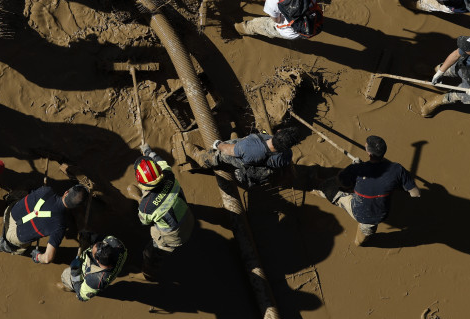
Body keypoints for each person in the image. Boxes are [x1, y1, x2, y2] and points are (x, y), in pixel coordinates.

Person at [315, 135, 420, 246]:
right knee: (362, 238)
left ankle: (317, 190)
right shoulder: (397, 169)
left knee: (329, 186)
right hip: (380, 215)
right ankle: (360, 242)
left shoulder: (357, 169)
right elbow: (416, 194)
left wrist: (352, 166)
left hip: (359, 212)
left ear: (369, 153)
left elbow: (342, 183)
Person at [131, 144, 195, 279]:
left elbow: (144, 221)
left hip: (174, 238)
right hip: (188, 220)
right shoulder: (169, 175)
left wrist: (139, 199)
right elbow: (160, 161)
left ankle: (149, 274)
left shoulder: (146, 207)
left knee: (150, 253)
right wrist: (148, 150)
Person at [0, 184, 88, 264]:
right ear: (75, 207)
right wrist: (38, 257)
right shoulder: (60, 226)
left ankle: (9, 198)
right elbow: (47, 258)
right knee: (20, 247)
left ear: (66, 193)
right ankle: (1, 245)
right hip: (14, 236)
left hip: (9, 213)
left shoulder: (46, 190)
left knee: (28, 188)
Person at [187, 128, 297, 187]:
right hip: (261, 168)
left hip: (246, 161)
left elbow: (228, 149)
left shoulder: (250, 146)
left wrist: (218, 144)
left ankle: (203, 160)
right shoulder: (288, 155)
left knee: (223, 154)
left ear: (278, 132)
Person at [59, 232, 127, 301]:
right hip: (113, 265)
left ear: (97, 261)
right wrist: (91, 237)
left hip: (86, 278)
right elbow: (103, 238)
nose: (91, 248)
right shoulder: (117, 245)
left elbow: (81, 296)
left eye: (92, 251)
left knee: (66, 275)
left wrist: (75, 272)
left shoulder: (94, 280)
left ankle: (68, 286)